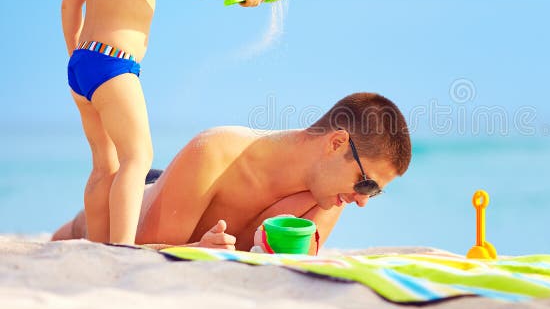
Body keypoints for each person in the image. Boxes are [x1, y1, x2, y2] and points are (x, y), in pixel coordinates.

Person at [62, 0, 267, 245]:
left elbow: (70, 4)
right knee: (137, 158)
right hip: (113, 64)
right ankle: (121, 248)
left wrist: (75, 53)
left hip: (82, 65)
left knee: (104, 166)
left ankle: (97, 248)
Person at [52, 93, 413, 253]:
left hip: (180, 195)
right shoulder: (218, 154)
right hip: (146, 193)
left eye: (374, 192)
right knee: (82, 228)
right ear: (336, 143)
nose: (362, 201)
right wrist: (195, 249)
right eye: (366, 184)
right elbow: (138, 250)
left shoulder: (331, 197)